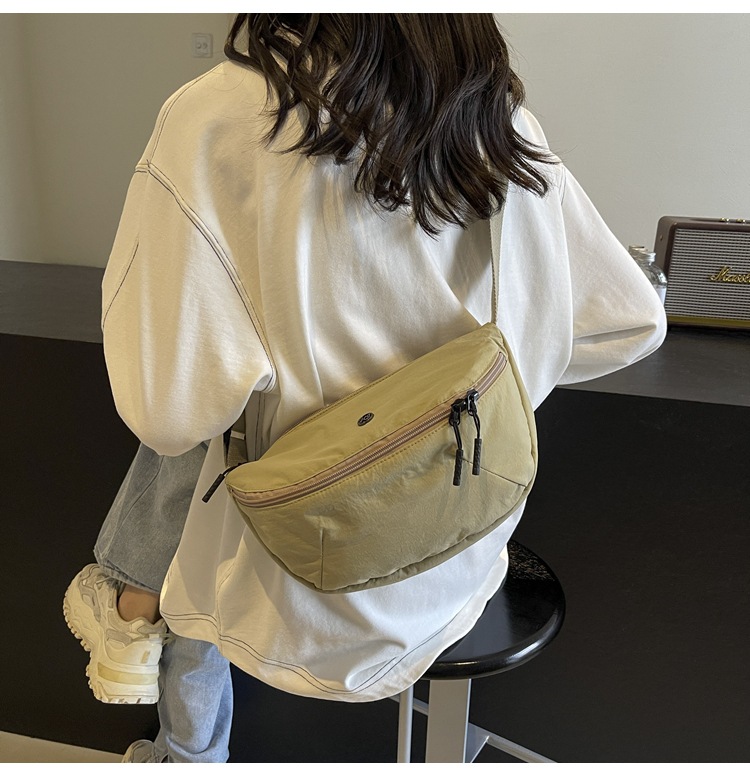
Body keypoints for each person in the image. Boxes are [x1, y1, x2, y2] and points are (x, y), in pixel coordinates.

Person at [63, 13, 667, 763]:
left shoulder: (218, 118)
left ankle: (142, 627)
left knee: (217, 457)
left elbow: (167, 413)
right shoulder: (495, 113)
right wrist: (453, 386)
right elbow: (629, 321)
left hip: (304, 589)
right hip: (462, 554)